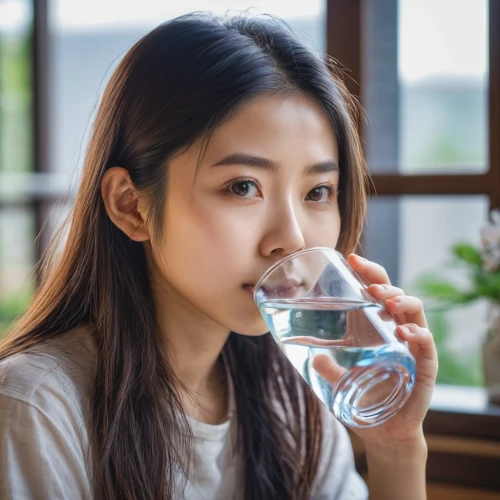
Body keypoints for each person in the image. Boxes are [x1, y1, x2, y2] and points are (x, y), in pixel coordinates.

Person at [0, 12, 438, 500]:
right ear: (131, 205)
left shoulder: (294, 398)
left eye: (318, 191)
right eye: (243, 187)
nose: (291, 239)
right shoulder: (36, 406)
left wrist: (396, 448)